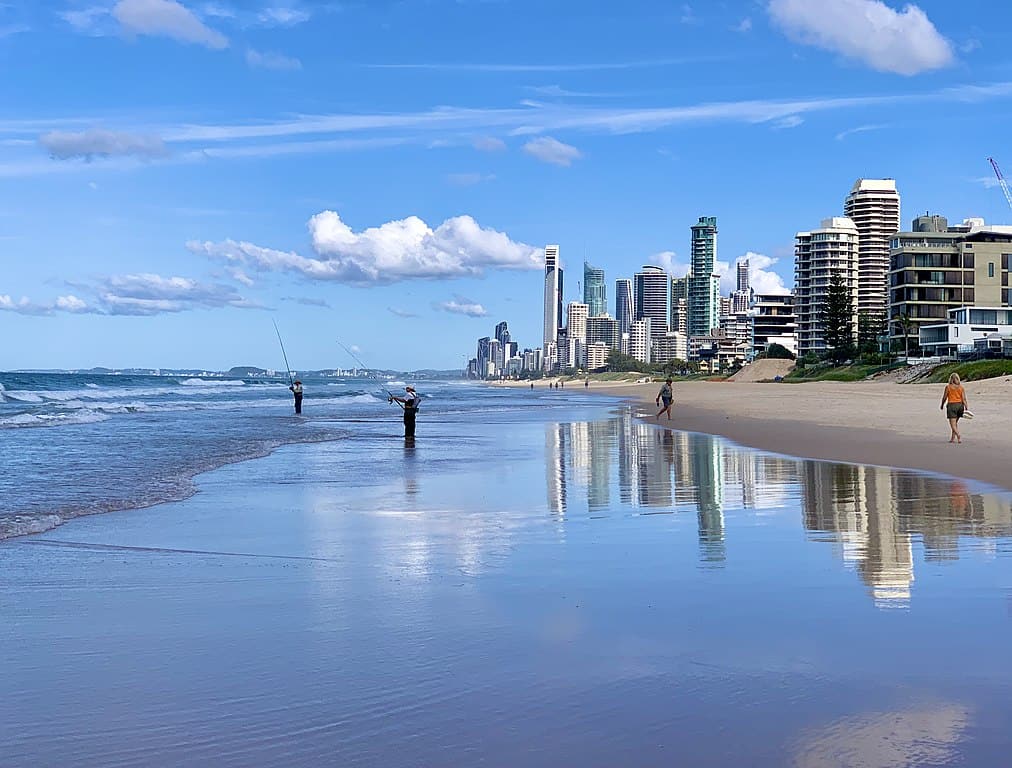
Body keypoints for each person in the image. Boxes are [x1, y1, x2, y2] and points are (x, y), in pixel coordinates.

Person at [940, 372, 969, 443]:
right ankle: (953, 438)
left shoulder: (948, 387)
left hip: (952, 405)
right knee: (955, 423)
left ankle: (958, 435)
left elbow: (944, 397)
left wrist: (942, 404)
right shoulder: (961, 387)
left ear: (951, 379)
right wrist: (966, 406)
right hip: (960, 405)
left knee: (952, 424)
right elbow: (964, 398)